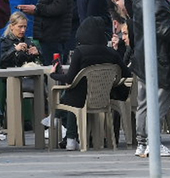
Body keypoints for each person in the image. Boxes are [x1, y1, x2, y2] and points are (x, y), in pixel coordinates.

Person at [127, 0, 170, 158]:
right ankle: (153, 143)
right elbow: (165, 32)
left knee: (143, 102)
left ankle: (142, 143)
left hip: (143, 56)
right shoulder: (157, 1)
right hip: (160, 59)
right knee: (158, 103)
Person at [50, 15, 129, 149]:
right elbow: (126, 73)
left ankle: (67, 134)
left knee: (70, 90)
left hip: (79, 99)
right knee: (73, 90)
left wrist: (55, 75)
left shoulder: (80, 52)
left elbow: (70, 79)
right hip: (104, 97)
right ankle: (70, 136)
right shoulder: (112, 53)